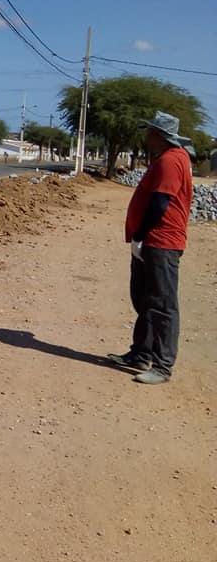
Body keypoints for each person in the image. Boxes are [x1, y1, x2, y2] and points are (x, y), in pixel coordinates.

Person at [108, 111, 193, 384]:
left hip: (161, 242)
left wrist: (141, 236)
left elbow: (160, 204)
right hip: (152, 240)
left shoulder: (171, 160)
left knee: (162, 305)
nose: (146, 137)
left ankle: (163, 365)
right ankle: (140, 353)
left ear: (159, 136)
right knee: (145, 299)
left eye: (150, 132)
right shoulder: (167, 158)